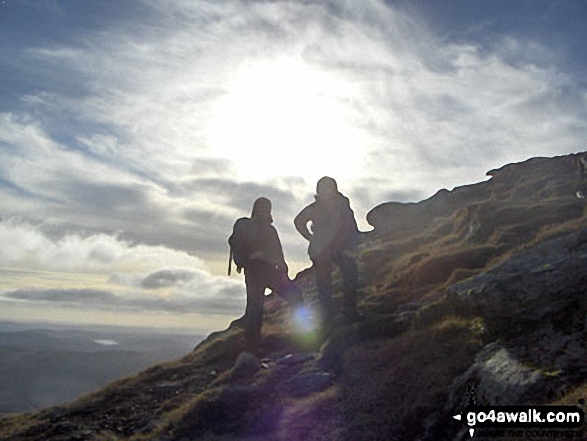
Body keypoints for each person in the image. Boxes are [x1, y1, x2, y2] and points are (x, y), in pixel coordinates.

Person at [229, 197, 303, 354]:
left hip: (253, 272)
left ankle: (252, 347)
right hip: (266, 271)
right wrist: (283, 270)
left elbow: (276, 252)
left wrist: (248, 260)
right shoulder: (269, 230)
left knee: (254, 307)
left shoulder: (249, 227)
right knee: (294, 296)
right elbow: (277, 253)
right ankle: (299, 335)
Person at [294, 176, 361, 329]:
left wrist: (351, 246)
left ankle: (348, 311)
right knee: (324, 283)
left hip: (338, 248)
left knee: (349, 272)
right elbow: (298, 221)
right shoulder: (318, 207)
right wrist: (310, 238)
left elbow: (351, 226)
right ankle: (329, 317)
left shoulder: (342, 205)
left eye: (328, 187)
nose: (326, 191)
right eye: (323, 188)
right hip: (322, 250)